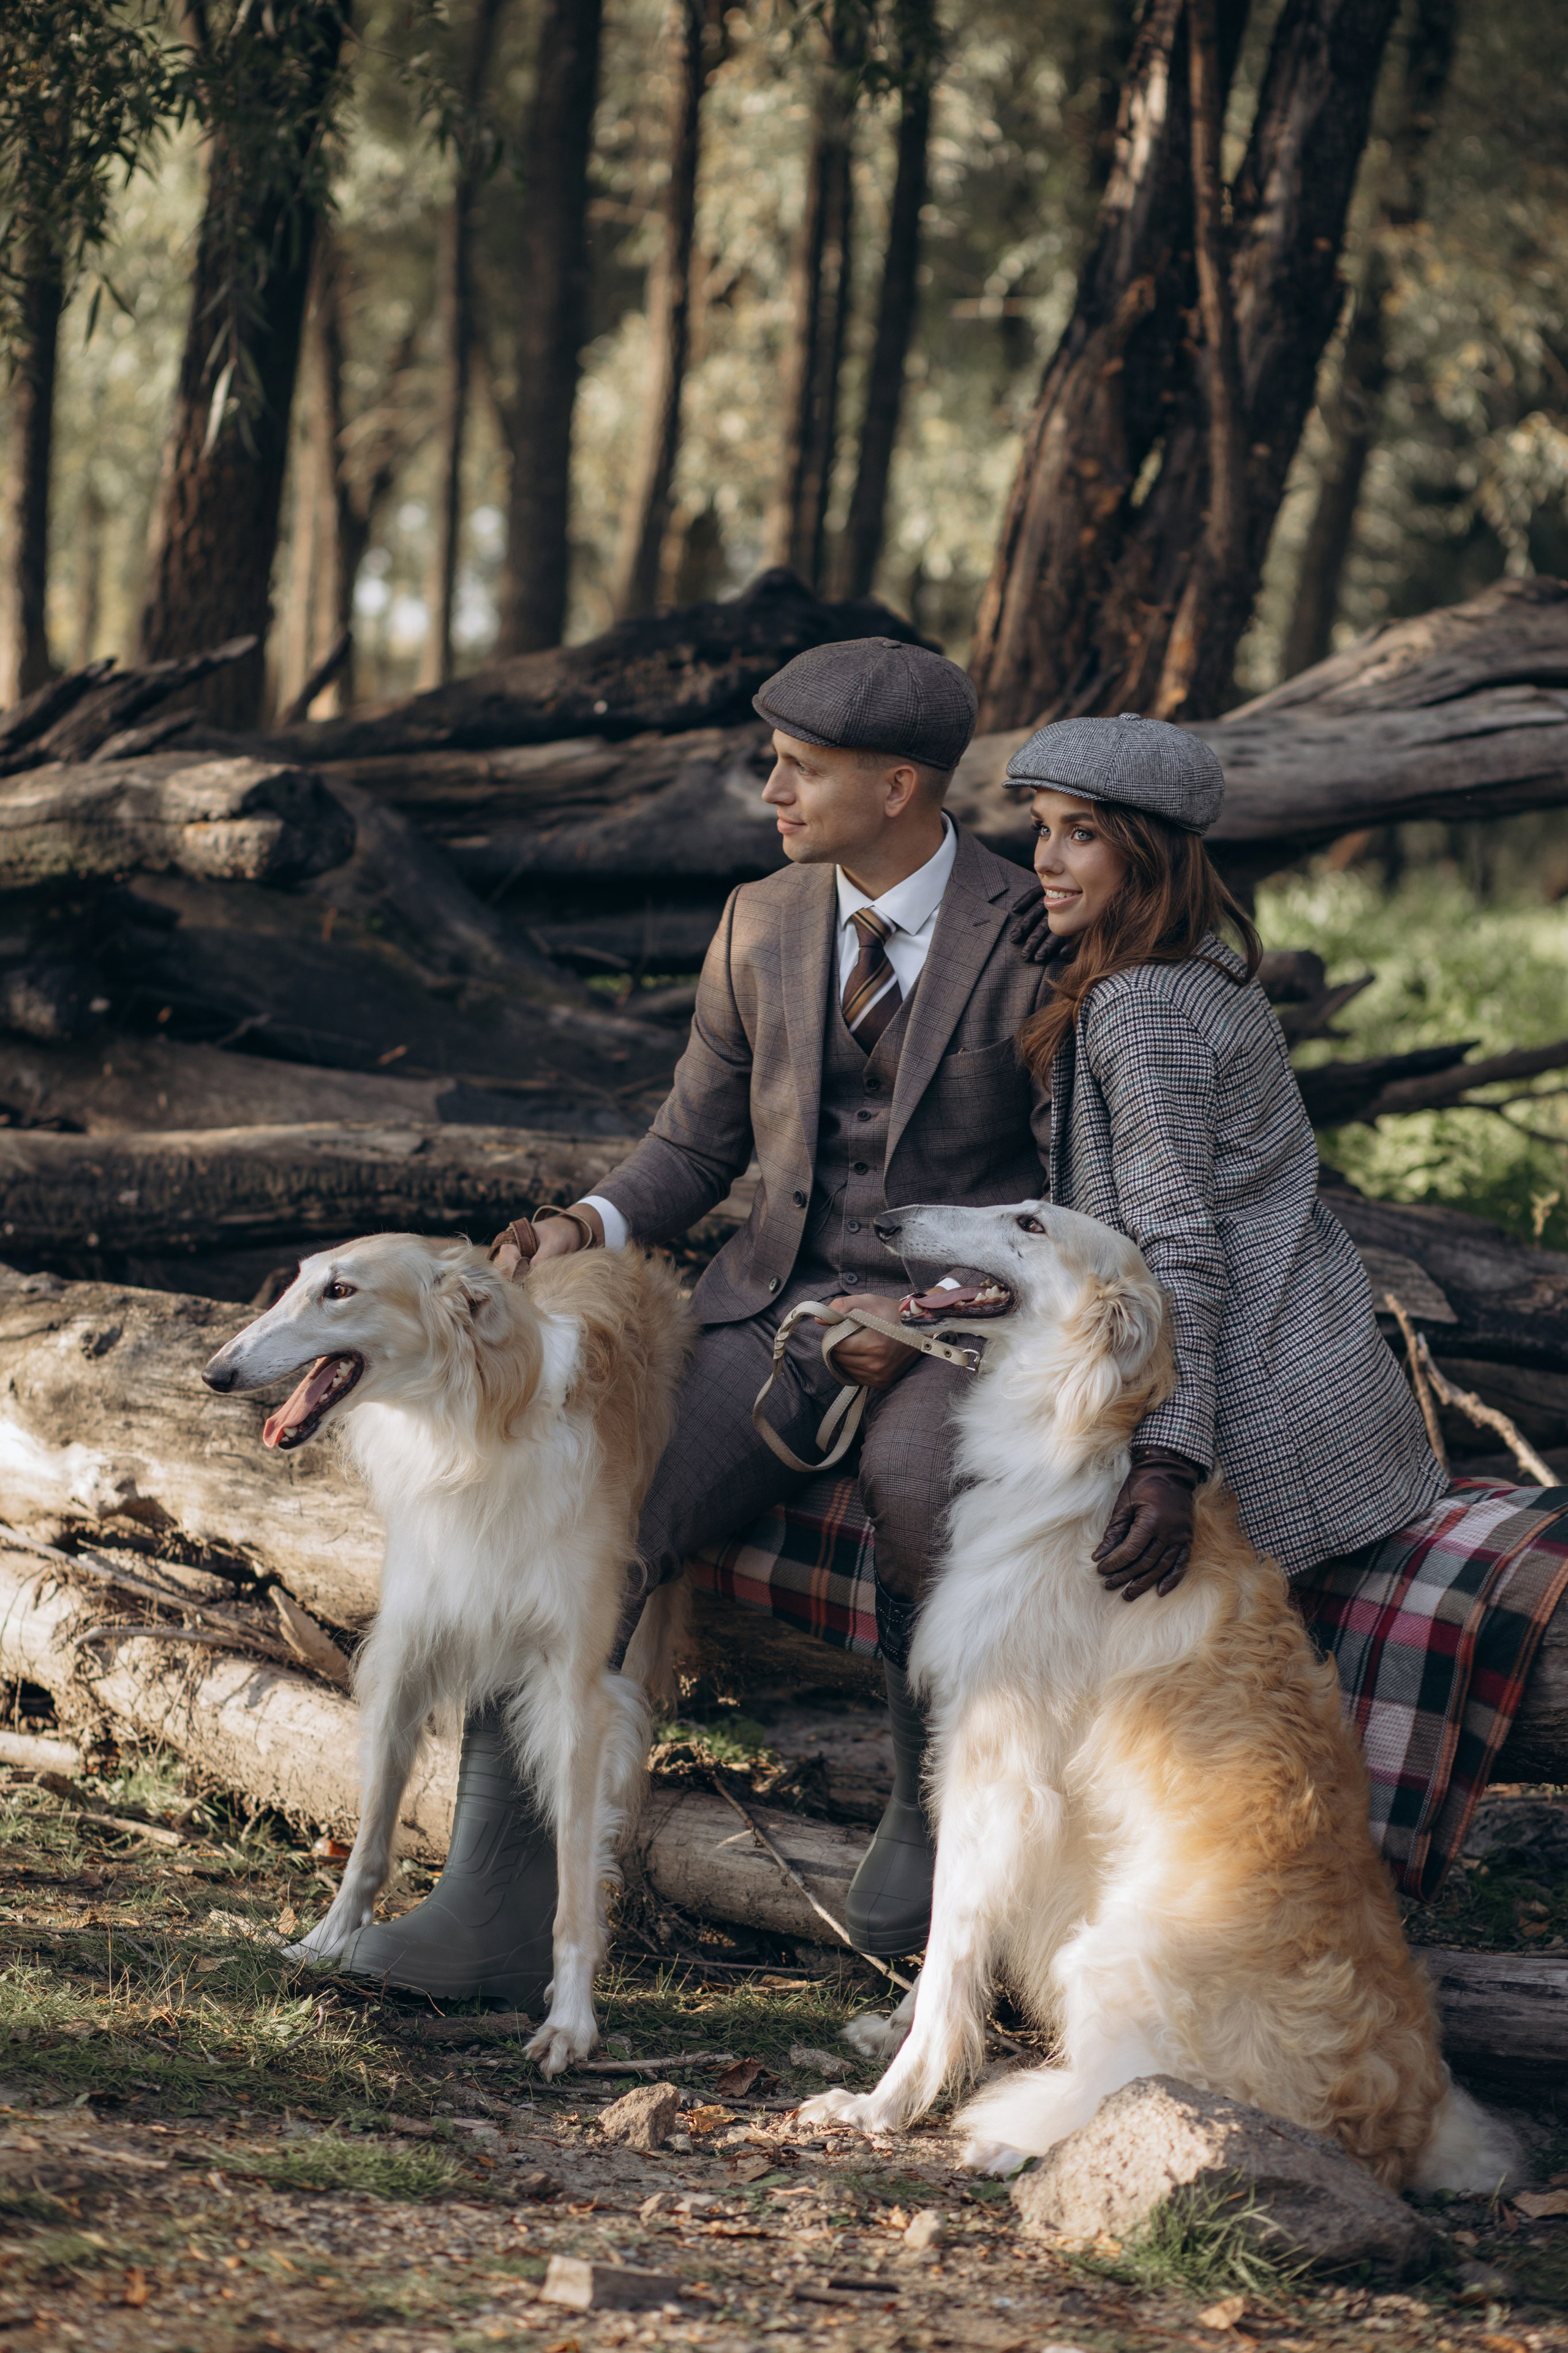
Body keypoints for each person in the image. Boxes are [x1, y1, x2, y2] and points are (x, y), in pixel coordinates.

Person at [333, 634, 1061, 2004]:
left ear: (896, 783)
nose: (769, 792)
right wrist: (583, 1227)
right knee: (578, 1505)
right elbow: (689, 1148)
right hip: (770, 1302)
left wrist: (922, 1320)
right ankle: (495, 1899)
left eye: (799, 768)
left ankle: (929, 1816)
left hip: (956, 1322)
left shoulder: (1027, 932)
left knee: (924, 1489)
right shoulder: (761, 921)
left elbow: (1066, 1189)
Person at [1005, 711, 1447, 1598]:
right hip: (1330, 1376)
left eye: (1080, 834)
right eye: (1042, 829)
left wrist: (1169, 1460)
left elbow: (1180, 1243)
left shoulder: (1142, 1009)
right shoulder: (1199, 965)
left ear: (1148, 852)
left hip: (1253, 1417)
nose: (1046, 860)